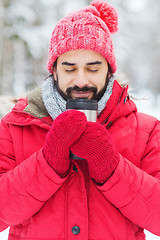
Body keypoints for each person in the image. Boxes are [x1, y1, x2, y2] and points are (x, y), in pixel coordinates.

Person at [0, 0, 160, 239]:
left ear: (109, 70)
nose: (81, 80)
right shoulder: (16, 127)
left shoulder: (146, 131)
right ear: (54, 70)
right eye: (70, 68)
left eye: (93, 68)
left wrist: (112, 168)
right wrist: (47, 162)